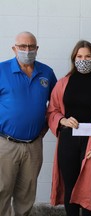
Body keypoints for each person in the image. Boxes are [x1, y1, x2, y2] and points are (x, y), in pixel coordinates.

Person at [47, 40, 91, 216]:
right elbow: (52, 110)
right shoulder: (63, 83)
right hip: (68, 141)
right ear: (74, 59)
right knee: (70, 186)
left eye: (88, 56)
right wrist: (62, 120)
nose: (83, 59)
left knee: (88, 189)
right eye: (80, 56)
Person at [0, 31, 57, 216]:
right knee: (2, 191)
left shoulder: (46, 72)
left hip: (33, 145)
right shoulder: (2, 70)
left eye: (31, 46)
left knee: (26, 194)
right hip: (5, 144)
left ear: (37, 48)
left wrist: (47, 127)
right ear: (14, 48)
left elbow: (56, 105)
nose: (27, 50)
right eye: (22, 46)